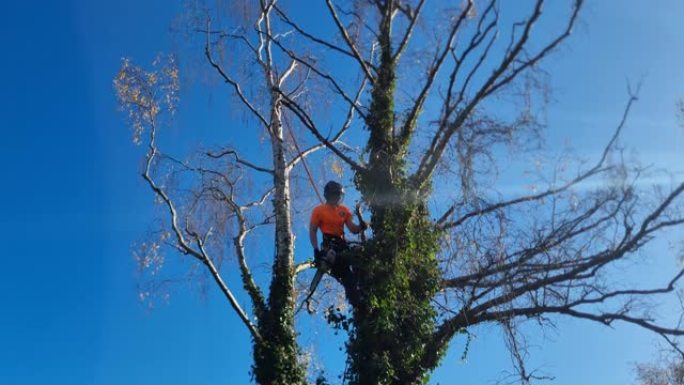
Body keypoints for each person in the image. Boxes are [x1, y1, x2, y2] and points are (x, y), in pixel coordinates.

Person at [297, 181, 367, 314]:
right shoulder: (319, 211)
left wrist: (361, 226)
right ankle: (357, 302)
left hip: (343, 244)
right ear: (329, 195)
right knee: (346, 275)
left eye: (339, 196)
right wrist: (316, 250)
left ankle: (363, 287)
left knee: (359, 256)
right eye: (336, 195)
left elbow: (353, 229)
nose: (338, 198)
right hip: (330, 244)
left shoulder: (344, 210)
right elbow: (313, 231)